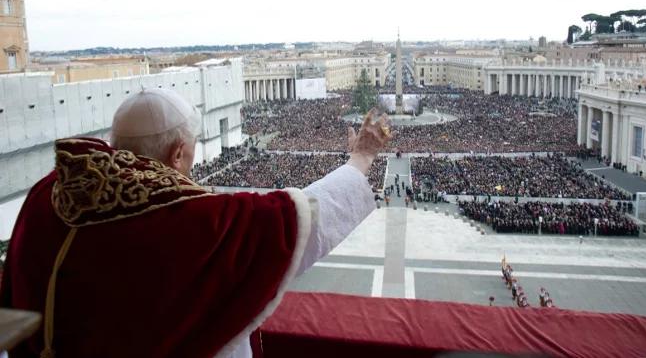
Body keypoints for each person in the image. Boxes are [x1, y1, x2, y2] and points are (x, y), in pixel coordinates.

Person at [0, 89, 393, 358]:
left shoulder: (49, 194)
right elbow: (299, 219)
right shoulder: (193, 222)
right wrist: (361, 157)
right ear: (177, 154)